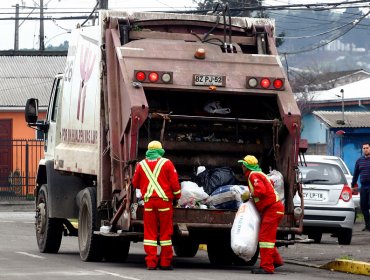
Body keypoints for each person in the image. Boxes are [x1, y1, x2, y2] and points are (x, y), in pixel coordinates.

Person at [132, 140, 181, 270]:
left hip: (148, 203)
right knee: (165, 233)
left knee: (149, 234)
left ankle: (151, 263)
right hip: (164, 203)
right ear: (160, 150)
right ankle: (165, 263)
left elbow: (135, 183)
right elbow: (175, 184)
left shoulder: (141, 165)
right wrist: (177, 196)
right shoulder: (167, 163)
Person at [238, 155, 284, 274]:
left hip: (272, 209)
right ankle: (276, 261)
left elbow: (261, 191)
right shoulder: (260, 174)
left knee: (265, 239)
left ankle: (267, 267)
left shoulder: (253, 175)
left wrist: (249, 195)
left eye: (243, 165)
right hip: (274, 208)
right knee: (266, 237)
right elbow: (269, 187)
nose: (241, 167)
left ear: (246, 166)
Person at [351, 142, 370, 231]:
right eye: (364, 148)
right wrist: (353, 185)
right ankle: (368, 225)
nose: (365, 149)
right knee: (363, 206)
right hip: (363, 186)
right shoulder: (359, 161)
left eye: (367, 148)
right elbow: (355, 174)